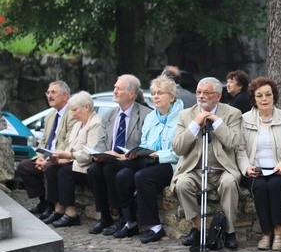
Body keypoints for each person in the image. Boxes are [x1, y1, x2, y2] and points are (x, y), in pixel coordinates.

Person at [172, 77, 242, 250]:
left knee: (230, 183)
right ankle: (198, 228)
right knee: (181, 184)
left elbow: (233, 142)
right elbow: (178, 148)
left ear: (218, 96)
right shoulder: (186, 114)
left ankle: (229, 232)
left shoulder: (232, 113)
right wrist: (195, 125)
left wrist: (216, 122)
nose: (201, 96)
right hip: (195, 169)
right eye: (199, 92)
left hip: (221, 169)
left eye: (206, 93)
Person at [113, 76, 184, 242]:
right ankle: (130, 221)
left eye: (160, 93)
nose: (155, 96)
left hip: (173, 163)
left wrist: (157, 155)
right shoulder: (151, 117)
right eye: (153, 93)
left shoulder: (183, 117)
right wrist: (138, 152)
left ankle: (155, 226)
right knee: (122, 175)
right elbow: (145, 143)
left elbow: (181, 151)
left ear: (172, 97)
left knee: (142, 177)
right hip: (149, 160)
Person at [87, 75, 152, 236]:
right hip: (109, 158)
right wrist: (98, 153)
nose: (114, 91)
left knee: (110, 168)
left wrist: (124, 154)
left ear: (131, 94)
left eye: (119, 88)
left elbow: (145, 143)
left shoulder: (145, 115)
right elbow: (101, 140)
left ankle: (124, 218)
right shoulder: (109, 115)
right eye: (115, 87)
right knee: (94, 169)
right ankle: (105, 216)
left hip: (132, 159)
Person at [236, 77, 281, 251]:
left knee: (275, 185)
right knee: (260, 187)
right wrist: (246, 167)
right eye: (259, 95)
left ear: (274, 96)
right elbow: (240, 149)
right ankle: (266, 233)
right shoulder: (244, 119)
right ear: (253, 99)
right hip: (256, 169)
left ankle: (279, 233)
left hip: (279, 169)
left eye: (268, 94)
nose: (264, 99)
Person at [16, 81, 77, 217]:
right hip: (48, 157)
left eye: (53, 92)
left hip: (62, 158)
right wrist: (39, 158)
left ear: (65, 96)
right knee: (23, 166)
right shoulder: (50, 115)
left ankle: (52, 206)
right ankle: (43, 202)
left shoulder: (72, 114)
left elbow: (68, 142)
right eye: (48, 92)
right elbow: (44, 141)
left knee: (49, 168)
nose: (49, 96)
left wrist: (48, 159)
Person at [43, 91, 101, 227]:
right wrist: (61, 158)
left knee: (64, 172)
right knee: (51, 167)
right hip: (74, 163)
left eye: (75, 110)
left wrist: (68, 157)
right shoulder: (77, 125)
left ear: (87, 107)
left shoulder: (96, 123)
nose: (74, 114)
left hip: (87, 166)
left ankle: (71, 213)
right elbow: (70, 147)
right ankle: (58, 208)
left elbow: (90, 153)